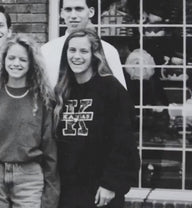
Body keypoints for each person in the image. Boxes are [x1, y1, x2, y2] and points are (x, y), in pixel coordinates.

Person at [54, 29, 140, 208]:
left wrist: (111, 183)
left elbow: (124, 143)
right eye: (72, 50)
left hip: (100, 191)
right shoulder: (62, 90)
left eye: (83, 51)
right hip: (68, 190)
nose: (76, 56)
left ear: (95, 55)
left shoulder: (110, 88)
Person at [0, 36, 59, 208]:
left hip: (29, 178)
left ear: (31, 63)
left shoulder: (42, 100)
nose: (16, 63)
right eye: (11, 58)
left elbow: (50, 152)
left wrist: (50, 198)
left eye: (23, 59)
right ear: (3, 60)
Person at [41, 0, 126, 88]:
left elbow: (120, 97)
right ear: (61, 13)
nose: (73, 15)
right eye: (68, 9)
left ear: (90, 12)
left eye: (79, 9)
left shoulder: (108, 51)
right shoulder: (46, 51)